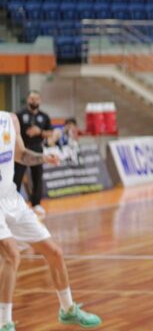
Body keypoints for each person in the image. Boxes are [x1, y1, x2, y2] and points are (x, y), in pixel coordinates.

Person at [0, 111, 101, 330]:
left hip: (11, 198)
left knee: (54, 252)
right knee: (12, 255)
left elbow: (20, 154)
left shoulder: (10, 119)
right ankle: (4, 322)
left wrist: (43, 158)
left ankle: (67, 309)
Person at [15, 91, 53, 218]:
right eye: (32, 98)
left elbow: (50, 133)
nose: (34, 101)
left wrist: (39, 131)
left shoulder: (44, 116)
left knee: (37, 176)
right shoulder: (20, 114)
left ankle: (36, 203)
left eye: (36, 99)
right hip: (22, 150)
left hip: (37, 149)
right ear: (27, 100)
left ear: (40, 101)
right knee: (17, 177)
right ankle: (15, 204)